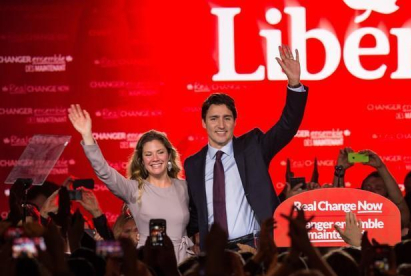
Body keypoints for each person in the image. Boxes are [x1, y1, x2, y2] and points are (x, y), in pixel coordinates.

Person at [184, 45, 308, 250]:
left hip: (256, 245)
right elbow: (195, 211)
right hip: (215, 252)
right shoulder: (193, 164)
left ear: (235, 122)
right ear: (204, 123)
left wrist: (294, 84)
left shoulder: (253, 147)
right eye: (214, 119)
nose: (221, 125)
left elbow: (287, 126)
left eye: (227, 118)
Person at [68, 105, 193, 263]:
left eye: (160, 152)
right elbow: (104, 171)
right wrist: (87, 135)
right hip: (150, 263)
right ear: (141, 160)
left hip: (183, 263)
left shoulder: (184, 187)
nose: (155, 158)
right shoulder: (134, 189)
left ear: (169, 155)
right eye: (148, 154)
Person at [333, 147, 410, 228]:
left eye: (378, 188)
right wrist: (340, 168)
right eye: (368, 188)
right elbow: (337, 202)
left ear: (389, 197)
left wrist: (381, 167)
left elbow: (399, 202)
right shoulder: (352, 217)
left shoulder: (394, 217)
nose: (372, 191)